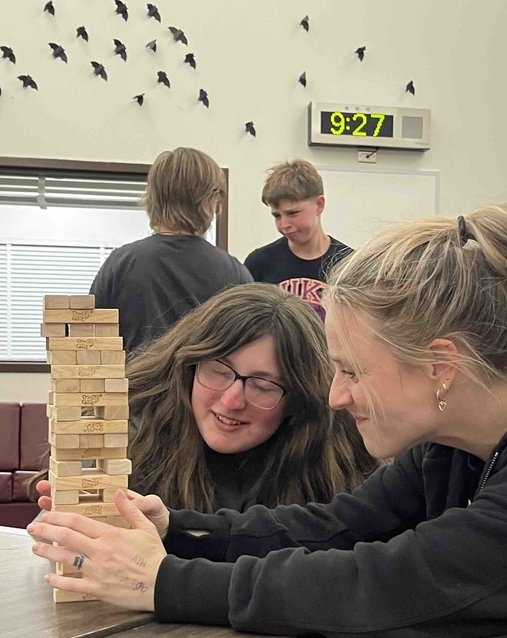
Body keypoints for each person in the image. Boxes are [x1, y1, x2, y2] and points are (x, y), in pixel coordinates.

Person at [30, 202, 507, 638]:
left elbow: (388, 585)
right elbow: (336, 526)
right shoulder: (461, 436)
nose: (335, 396)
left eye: (351, 371)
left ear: (439, 366)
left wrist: (164, 585)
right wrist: (176, 532)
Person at [30, 283, 376, 513]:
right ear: (189, 365)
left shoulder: (332, 460)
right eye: (219, 371)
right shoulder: (131, 427)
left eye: (263, 385)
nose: (231, 400)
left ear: (299, 400)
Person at [90, 147, 251, 354]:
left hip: (134, 385)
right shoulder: (235, 273)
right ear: (210, 202)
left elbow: (88, 342)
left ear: (154, 197)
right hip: (208, 386)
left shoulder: (121, 263)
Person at [243, 160, 350, 319]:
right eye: (277, 216)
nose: (284, 225)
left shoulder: (349, 264)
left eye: (292, 213)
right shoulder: (259, 263)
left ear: (319, 205)